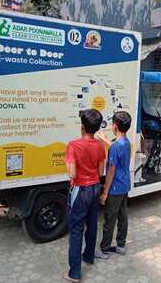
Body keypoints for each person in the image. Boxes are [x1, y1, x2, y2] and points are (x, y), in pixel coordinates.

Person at [63, 109, 106, 283]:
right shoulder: (100, 146)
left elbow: (72, 174)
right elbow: (101, 171)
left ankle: (74, 273)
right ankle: (88, 256)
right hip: (95, 187)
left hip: (80, 190)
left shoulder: (73, 145)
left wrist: (69, 167)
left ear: (82, 127)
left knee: (75, 230)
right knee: (92, 223)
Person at [95, 111, 132, 259]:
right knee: (123, 216)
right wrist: (106, 141)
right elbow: (117, 148)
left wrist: (104, 192)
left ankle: (104, 249)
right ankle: (121, 245)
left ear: (114, 126)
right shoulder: (126, 142)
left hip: (115, 188)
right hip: (124, 186)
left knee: (110, 219)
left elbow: (110, 172)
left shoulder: (115, 147)